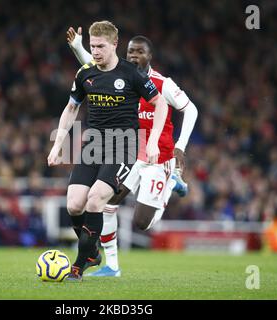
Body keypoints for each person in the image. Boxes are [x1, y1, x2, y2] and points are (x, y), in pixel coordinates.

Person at [67, 27, 198, 276]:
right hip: (131, 152)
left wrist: (180, 146)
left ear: (150, 56)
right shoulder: (122, 75)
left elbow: (191, 110)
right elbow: (93, 67)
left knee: (141, 222)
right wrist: (78, 47)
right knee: (106, 201)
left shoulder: (163, 84)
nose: (134, 56)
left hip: (159, 158)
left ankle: (171, 183)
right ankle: (112, 265)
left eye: (140, 52)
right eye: (131, 52)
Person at [47, 21, 169, 281]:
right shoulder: (85, 73)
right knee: (74, 204)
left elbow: (160, 105)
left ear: (115, 44)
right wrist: (58, 144)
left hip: (124, 146)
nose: (96, 51)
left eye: (101, 46)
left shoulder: (131, 74)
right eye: (92, 46)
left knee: (95, 199)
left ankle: (80, 264)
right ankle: (92, 252)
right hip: (93, 146)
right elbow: (71, 109)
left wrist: (153, 140)